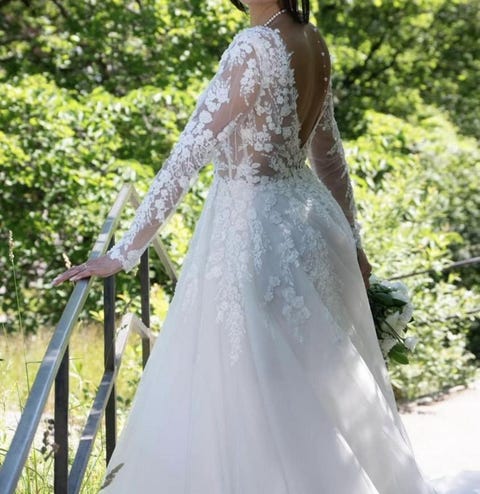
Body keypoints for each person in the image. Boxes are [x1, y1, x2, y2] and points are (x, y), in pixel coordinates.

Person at [52, 1, 476, 493]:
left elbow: (189, 153)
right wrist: (354, 245)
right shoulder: (313, 40)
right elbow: (329, 159)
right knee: (307, 386)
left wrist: (123, 253)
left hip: (252, 235)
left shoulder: (253, 46)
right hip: (312, 229)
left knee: (251, 388)